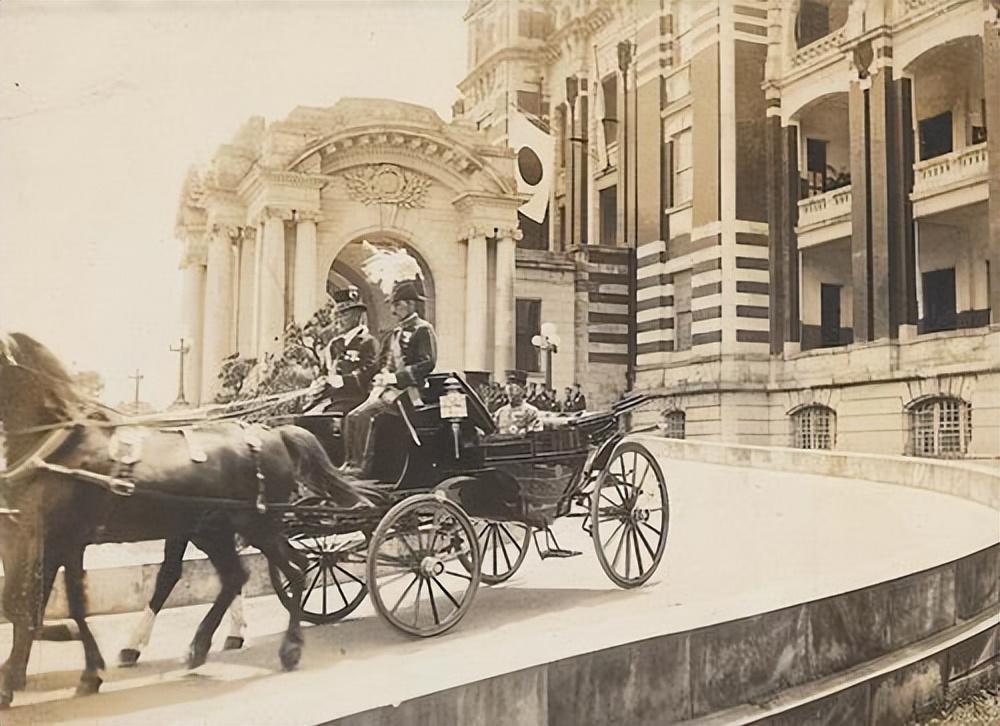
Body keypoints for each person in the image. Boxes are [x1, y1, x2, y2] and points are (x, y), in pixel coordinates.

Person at [341, 278, 437, 478]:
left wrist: (394, 378)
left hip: (411, 393)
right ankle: (350, 463)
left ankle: (362, 468)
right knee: (351, 416)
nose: (393, 311)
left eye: (397, 305)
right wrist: (381, 376)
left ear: (410, 304)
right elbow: (384, 362)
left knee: (362, 415)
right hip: (389, 390)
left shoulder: (423, 329)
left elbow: (427, 363)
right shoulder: (395, 333)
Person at [309, 287, 379, 416]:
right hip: (331, 400)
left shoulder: (368, 342)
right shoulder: (334, 344)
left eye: (344, 315)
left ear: (357, 316)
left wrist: (343, 380)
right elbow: (325, 373)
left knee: (322, 420)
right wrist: (318, 384)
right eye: (337, 315)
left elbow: (367, 373)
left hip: (355, 401)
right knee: (303, 418)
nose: (338, 320)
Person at [493, 370, 543, 435]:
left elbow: (536, 435)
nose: (510, 389)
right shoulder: (500, 412)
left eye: (516, 385)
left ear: (524, 390)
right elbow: (493, 433)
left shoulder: (531, 412)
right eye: (508, 384)